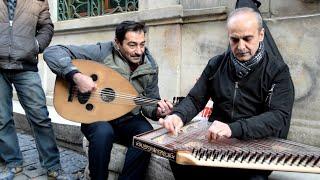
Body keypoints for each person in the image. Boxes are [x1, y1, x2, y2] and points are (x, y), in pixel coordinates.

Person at [159, 1, 294, 179]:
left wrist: (233, 129)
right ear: (228, 36)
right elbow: (195, 99)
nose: (240, 46)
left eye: (247, 38)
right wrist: (178, 115)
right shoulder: (216, 64)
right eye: (234, 39)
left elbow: (278, 116)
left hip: (256, 145)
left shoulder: (278, 71)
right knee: (179, 159)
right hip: (216, 141)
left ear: (261, 35)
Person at [43, 21, 173, 180]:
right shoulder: (102, 52)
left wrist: (158, 111)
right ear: (117, 43)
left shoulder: (150, 66)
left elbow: (151, 101)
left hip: (128, 118)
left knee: (145, 135)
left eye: (142, 44)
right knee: (103, 132)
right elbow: (52, 52)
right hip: (96, 116)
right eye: (132, 45)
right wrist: (76, 76)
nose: (139, 51)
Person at [0, 0, 72, 179]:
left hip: (26, 66)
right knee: (2, 118)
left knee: (40, 117)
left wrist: (36, 46)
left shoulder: (37, 1)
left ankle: (53, 166)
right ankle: (13, 162)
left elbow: (47, 27)